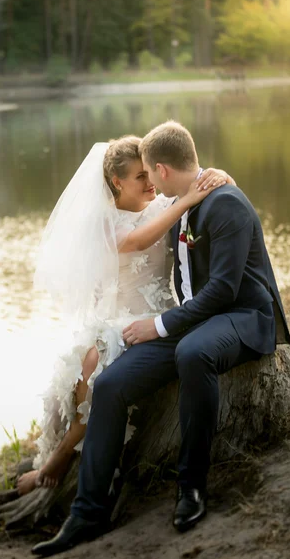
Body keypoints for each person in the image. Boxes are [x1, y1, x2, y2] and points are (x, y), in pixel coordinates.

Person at [32, 121, 290, 558]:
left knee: (194, 352)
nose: (148, 185)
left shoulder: (224, 203)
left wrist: (159, 325)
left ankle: (191, 486)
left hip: (240, 317)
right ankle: (88, 511)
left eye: (148, 175)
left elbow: (223, 292)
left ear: (161, 170)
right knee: (110, 384)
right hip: (194, 318)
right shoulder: (175, 203)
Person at [17, 136, 233, 495]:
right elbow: (138, 241)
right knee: (83, 367)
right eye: (139, 177)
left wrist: (216, 176)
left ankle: (60, 459)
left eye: (150, 174)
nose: (150, 183)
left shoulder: (162, 201)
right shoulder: (103, 221)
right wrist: (186, 202)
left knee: (97, 364)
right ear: (117, 182)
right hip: (115, 317)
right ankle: (60, 455)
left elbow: (193, 177)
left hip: (157, 313)